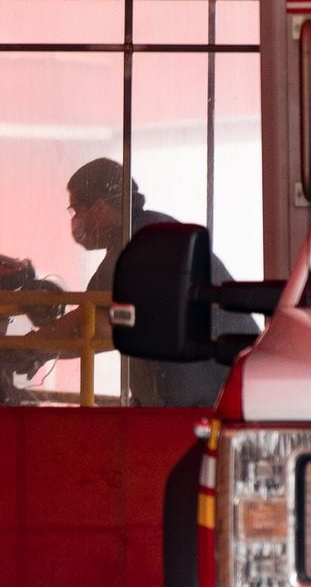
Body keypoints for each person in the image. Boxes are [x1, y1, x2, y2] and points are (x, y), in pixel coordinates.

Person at [59, 157, 259, 407]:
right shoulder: (150, 230)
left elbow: (95, 324)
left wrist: (30, 350)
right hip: (226, 387)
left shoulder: (137, 244)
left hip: (209, 399)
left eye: (76, 209)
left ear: (99, 208)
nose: (75, 220)